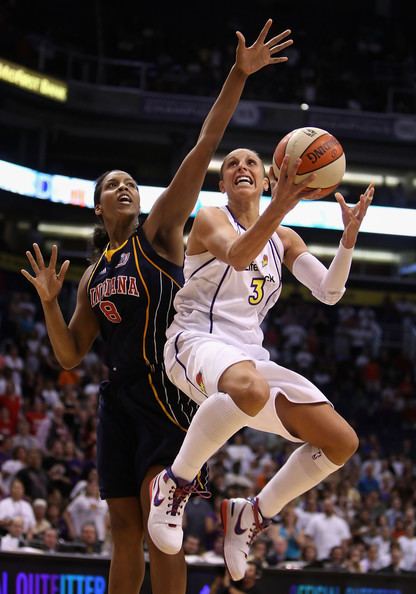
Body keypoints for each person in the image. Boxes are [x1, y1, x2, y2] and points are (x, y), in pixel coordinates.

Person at [21, 19, 293, 594]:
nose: (125, 187)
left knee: (156, 519)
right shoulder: (93, 274)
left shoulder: (162, 231)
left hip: (169, 391)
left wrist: (237, 77)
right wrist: (49, 301)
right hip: (118, 398)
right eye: (112, 185)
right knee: (122, 529)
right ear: (96, 207)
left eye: (130, 183)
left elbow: (204, 146)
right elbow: (70, 355)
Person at [147, 143, 374, 581]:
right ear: (223, 182)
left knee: (341, 442)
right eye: (231, 164)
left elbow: (329, 292)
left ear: (267, 178)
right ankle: (173, 482)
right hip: (196, 339)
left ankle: (251, 515)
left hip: (249, 358)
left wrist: (348, 239)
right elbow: (236, 254)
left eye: (250, 161)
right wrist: (282, 206)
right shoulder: (212, 217)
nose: (241, 167)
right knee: (250, 388)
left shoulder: (284, 239)